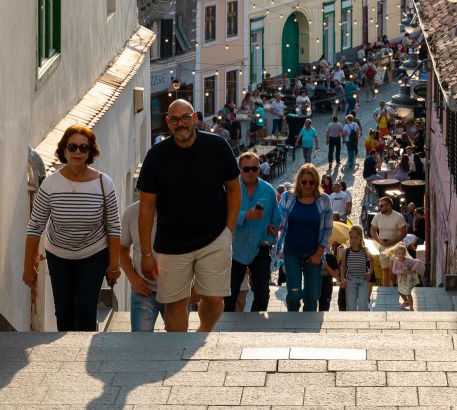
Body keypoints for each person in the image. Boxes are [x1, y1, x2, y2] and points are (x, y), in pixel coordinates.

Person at [137, 99, 241, 332]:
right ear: (168, 123)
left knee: (214, 298)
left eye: (186, 117)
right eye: (174, 119)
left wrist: (228, 231)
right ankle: (177, 350)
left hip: (214, 237)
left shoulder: (217, 147)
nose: (181, 123)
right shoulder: (156, 156)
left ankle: (202, 333)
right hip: (172, 242)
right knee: (174, 303)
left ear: (195, 119)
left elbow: (234, 190)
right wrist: (146, 254)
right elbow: (145, 207)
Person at [23, 125, 121, 332]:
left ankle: (82, 351)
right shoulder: (50, 185)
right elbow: (35, 227)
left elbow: (113, 227)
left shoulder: (104, 184)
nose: (77, 152)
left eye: (83, 148)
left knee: (85, 309)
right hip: (59, 254)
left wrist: (114, 265)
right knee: (64, 311)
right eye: (73, 147)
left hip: (94, 253)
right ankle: (66, 351)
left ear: (91, 152)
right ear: (64, 150)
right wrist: (28, 268)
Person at [224, 152, 282, 313]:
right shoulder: (231, 188)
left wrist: (271, 235)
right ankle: (227, 330)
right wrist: (245, 215)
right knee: (229, 296)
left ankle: (255, 328)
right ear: (240, 169)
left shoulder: (268, 190)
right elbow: (222, 215)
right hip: (235, 249)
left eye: (254, 168)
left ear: (259, 168)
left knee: (263, 294)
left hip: (260, 247)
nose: (250, 172)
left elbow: (276, 219)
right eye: (246, 169)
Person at [271, 164, 333, 312]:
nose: (307, 185)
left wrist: (319, 253)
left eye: (311, 182)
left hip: (313, 252)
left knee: (312, 297)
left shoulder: (324, 200)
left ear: (317, 183)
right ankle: (293, 321)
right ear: (298, 182)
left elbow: (327, 229)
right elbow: (278, 220)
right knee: (294, 293)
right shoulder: (288, 197)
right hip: (292, 251)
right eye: (304, 182)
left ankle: (308, 328)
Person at [120, 200, 164, 331]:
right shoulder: (131, 212)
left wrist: (195, 283)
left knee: (178, 343)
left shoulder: (182, 208)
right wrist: (133, 279)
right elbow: (122, 249)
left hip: (176, 290)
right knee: (140, 342)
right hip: (144, 290)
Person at [370, 196, 407, 286]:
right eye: (379, 206)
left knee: (392, 268)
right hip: (383, 245)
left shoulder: (398, 217)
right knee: (385, 270)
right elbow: (372, 230)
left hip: (395, 246)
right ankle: (386, 290)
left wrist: (393, 241)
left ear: (389, 205)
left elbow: (403, 233)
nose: (380, 208)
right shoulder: (377, 217)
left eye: (382, 206)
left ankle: (394, 285)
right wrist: (379, 241)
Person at [339, 225, 373, 311]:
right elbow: (342, 266)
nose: (353, 240)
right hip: (350, 280)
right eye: (351, 237)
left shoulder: (365, 250)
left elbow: (372, 260)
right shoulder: (346, 251)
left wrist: (370, 272)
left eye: (356, 238)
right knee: (350, 307)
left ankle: (363, 319)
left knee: (362, 306)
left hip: (363, 280)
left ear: (361, 238)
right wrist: (343, 279)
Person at [389, 242, 425, 310]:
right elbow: (394, 270)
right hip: (400, 280)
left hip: (408, 279)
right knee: (400, 291)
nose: (401, 255)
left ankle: (411, 307)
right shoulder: (396, 261)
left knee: (408, 293)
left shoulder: (408, 260)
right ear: (396, 254)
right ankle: (406, 302)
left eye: (402, 253)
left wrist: (411, 270)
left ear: (405, 253)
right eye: (399, 254)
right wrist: (401, 272)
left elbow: (418, 261)